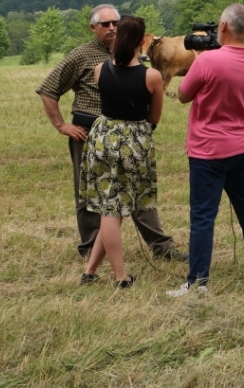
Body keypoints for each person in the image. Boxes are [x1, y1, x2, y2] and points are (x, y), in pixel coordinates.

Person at [36, 4, 186, 262]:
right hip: (89, 132)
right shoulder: (81, 56)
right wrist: (62, 125)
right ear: (93, 27)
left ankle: (161, 245)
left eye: (116, 23)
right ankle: (92, 246)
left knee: (139, 189)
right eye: (105, 24)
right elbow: (48, 89)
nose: (111, 28)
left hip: (128, 134)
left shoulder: (134, 57)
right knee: (89, 192)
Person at [167, 3, 244, 298]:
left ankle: (198, 281)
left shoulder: (207, 62)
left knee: (202, 216)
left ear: (223, 27)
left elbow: (184, 96)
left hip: (208, 150)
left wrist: (201, 60)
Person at [80, 15, 165, 287]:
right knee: (113, 212)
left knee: (110, 206)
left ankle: (90, 271)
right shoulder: (152, 76)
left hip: (102, 139)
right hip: (132, 143)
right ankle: (120, 277)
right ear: (142, 41)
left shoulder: (99, 69)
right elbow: (154, 118)